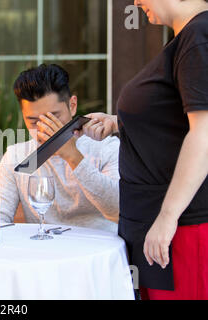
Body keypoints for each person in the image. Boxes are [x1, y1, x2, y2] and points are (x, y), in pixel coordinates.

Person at [77, 0, 208, 299]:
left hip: (180, 231)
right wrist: (119, 123)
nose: (135, 2)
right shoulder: (185, 39)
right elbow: (173, 123)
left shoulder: (199, 36)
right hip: (157, 229)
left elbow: (205, 133)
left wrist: (167, 217)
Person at [0, 64, 120, 233]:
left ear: (72, 106)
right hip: (44, 254)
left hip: (100, 253)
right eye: (33, 121)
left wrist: (73, 157)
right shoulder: (16, 156)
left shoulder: (106, 147)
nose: (44, 129)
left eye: (53, 118)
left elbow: (119, 211)